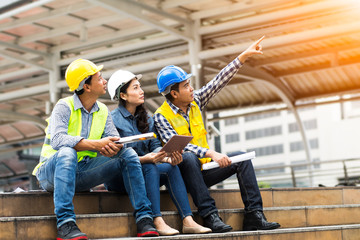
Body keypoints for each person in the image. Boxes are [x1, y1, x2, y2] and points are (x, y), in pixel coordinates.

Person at [153, 36, 281, 233]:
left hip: (205, 170)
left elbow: (218, 82)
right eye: (186, 85)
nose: (192, 88)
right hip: (183, 176)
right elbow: (180, 147)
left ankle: (255, 215)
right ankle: (209, 215)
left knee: (242, 157)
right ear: (174, 93)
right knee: (188, 157)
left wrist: (243, 56)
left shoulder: (195, 101)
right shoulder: (161, 116)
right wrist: (211, 153)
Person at [32, 59, 159, 240]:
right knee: (67, 152)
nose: (105, 81)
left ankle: (145, 218)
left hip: (83, 171)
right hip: (50, 174)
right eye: (99, 78)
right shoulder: (63, 106)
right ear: (87, 86)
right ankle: (65, 223)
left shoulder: (103, 110)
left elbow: (114, 140)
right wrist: (96, 144)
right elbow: (58, 140)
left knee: (128, 154)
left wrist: (112, 147)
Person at [107, 69, 212, 235]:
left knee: (171, 167)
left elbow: (155, 144)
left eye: (140, 87)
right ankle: (157, 219)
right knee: (150, 166)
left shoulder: (147, 118)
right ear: (123, 95)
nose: (141, 91)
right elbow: (116, 157)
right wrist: (146, 159)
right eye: (135, 88)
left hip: (146, 171)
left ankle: (188, 220)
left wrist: (165, 156)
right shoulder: (112, 120)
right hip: (120, 177)